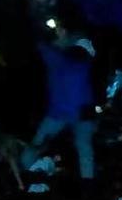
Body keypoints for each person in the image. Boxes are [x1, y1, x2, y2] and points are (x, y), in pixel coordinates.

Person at [21, 25, 99, 183]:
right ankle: (88, 182)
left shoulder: (56, 60)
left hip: (59, 114)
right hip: (82, 114)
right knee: (84, 148)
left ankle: (30, 172)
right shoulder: (85, 65)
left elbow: (40, 43)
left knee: (36, 146)